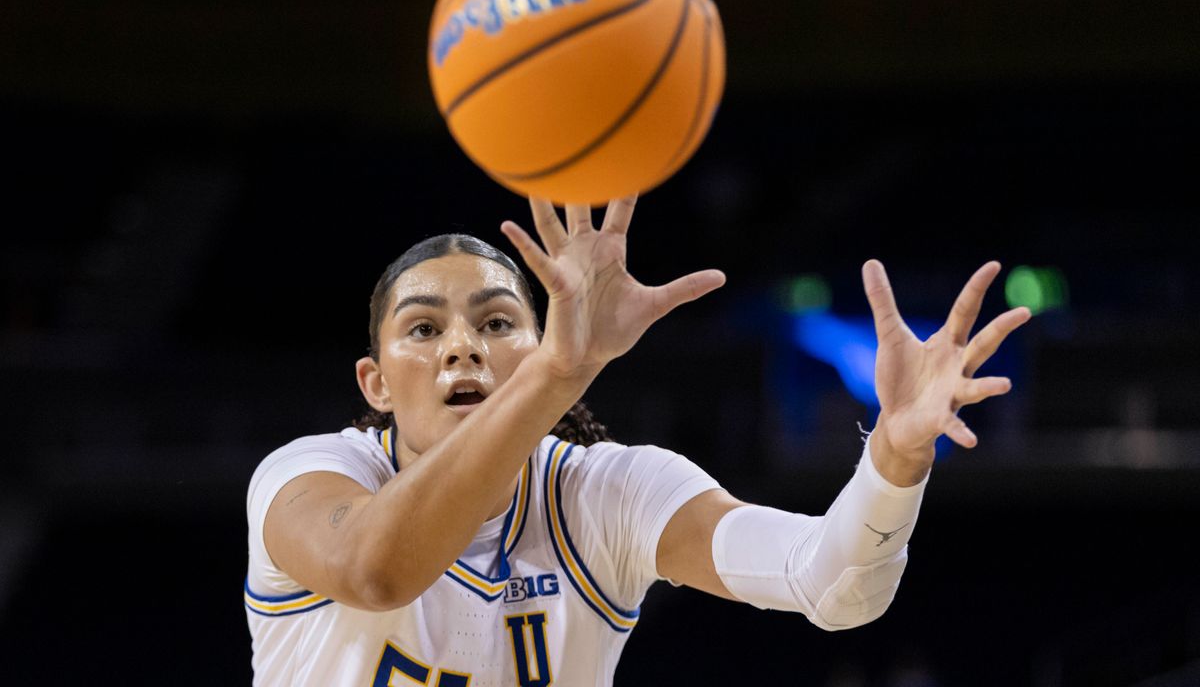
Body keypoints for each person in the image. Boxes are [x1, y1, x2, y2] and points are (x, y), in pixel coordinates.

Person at [244, 196, 1029, 686]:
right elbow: (376, 571)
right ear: (375, 383)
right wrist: (557, 373)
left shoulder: (606, 494)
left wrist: (894, 458)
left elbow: (832, 585)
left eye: (495, 323)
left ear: (535, 339)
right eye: (423, 328)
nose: (462, 347)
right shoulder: (308, 477)